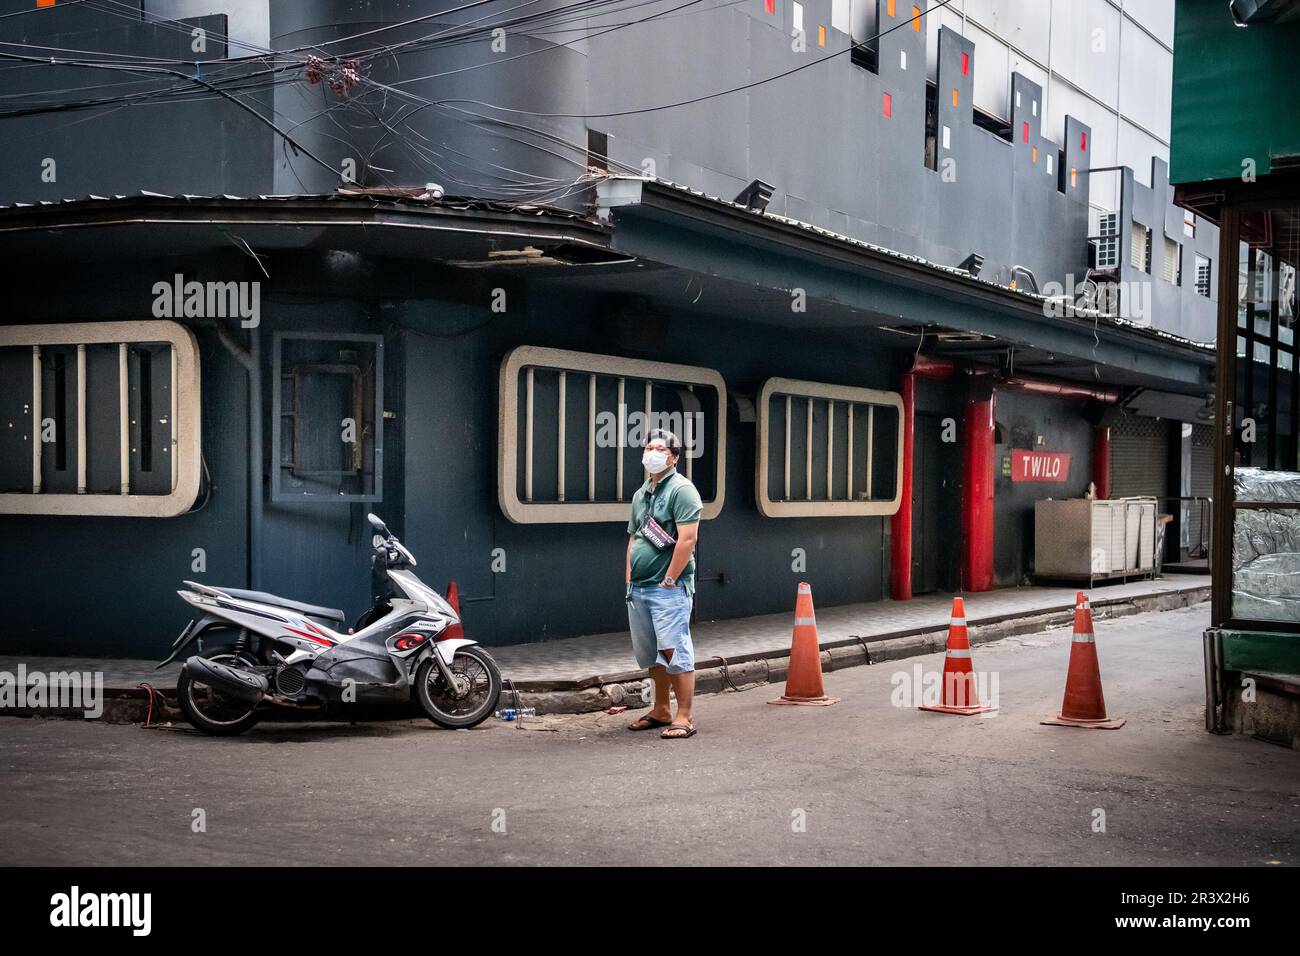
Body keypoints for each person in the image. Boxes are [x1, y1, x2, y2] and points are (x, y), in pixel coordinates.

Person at [624, 428, 702, 739]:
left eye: (659, 449)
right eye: (649, 447)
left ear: (674, 457)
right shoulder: (641, 494)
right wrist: (630, 577)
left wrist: (670, 578)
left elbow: (688, 539)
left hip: (668, 588)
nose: (652, 453)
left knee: (674, 651)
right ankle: (661, 709)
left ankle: (684, 716)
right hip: (640, 588)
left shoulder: (682, 490)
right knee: (652, 653)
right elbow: (634, 537)